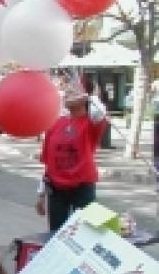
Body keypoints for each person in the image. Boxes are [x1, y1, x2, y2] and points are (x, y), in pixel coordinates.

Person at [36, 79, 108, 231]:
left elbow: (100, 113)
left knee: (85, 232)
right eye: (67, 90)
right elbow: (49, 164)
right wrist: (41, 194)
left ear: (84, 97)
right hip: (56, 189)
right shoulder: (55, 124)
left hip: (82, 188)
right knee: (56, 234)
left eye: (74, 90)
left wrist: (92, 97)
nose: (68, 92)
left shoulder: (91, 123)